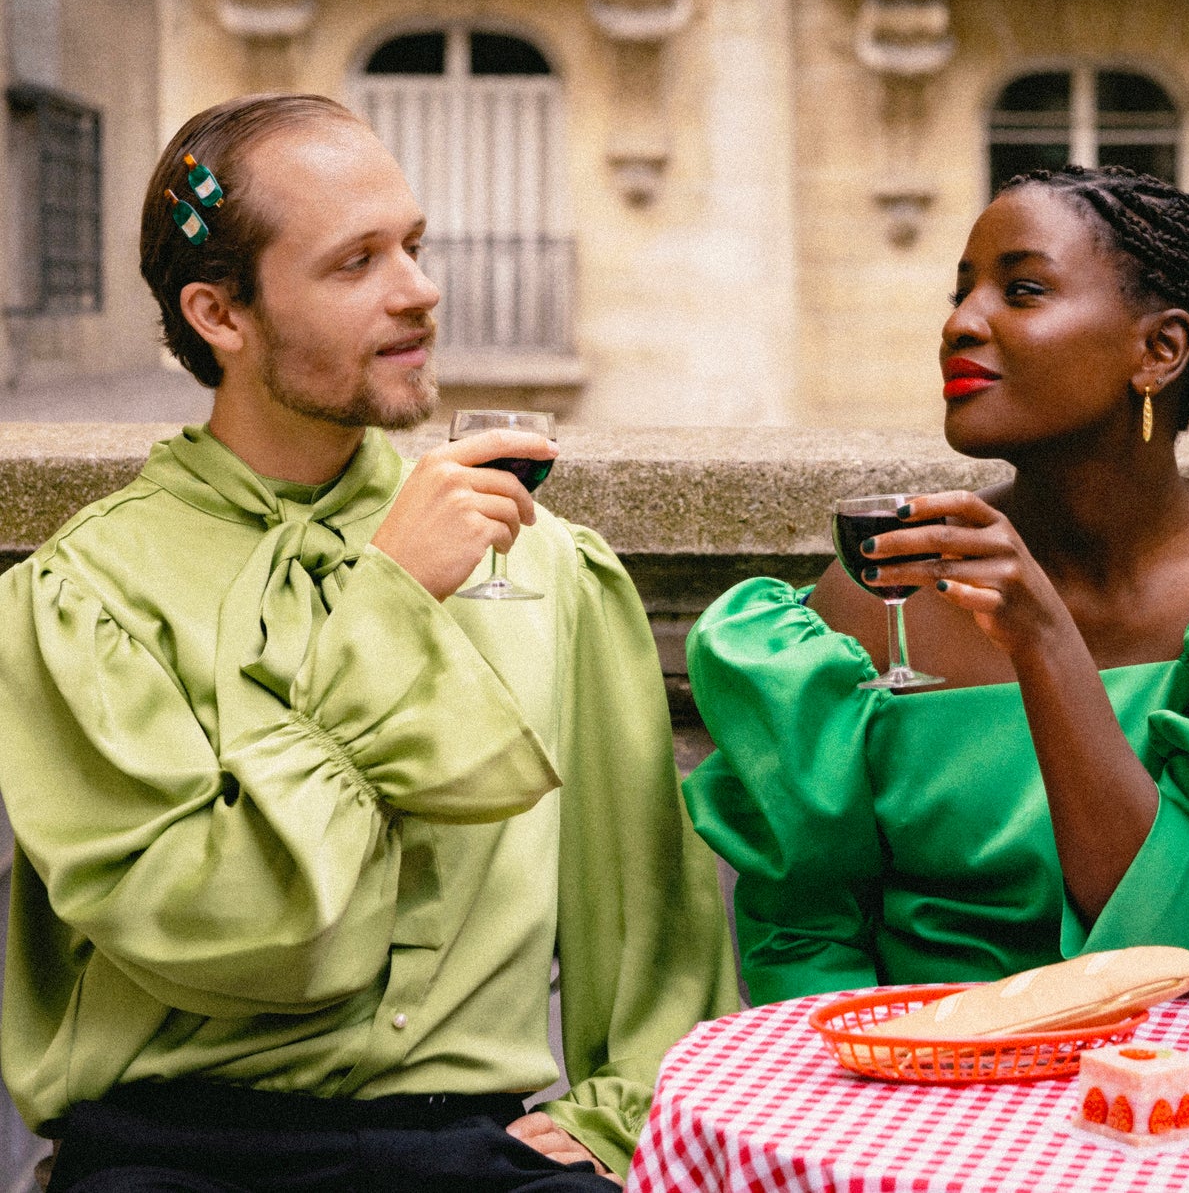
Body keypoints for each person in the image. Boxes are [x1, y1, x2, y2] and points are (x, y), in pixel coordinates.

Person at [0, 94, 736, 1193]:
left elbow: (646, 916)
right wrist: (388, 605)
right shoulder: (88, 595)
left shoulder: (545, 564)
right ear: (221, 314)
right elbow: (234, 928)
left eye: (414, 245)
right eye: (356, 263)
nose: (419, 290)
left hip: (482, 1149)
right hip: (169, 1151)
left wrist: (620, 1109)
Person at [683, 165, 1189, 1009]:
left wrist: (1044, 643)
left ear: (1159, 350)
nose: (960, 323)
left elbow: (1168, 939)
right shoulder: (874, 594)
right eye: (960, 291)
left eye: (1022, 289)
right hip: (909, 1095)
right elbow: (804, 932)